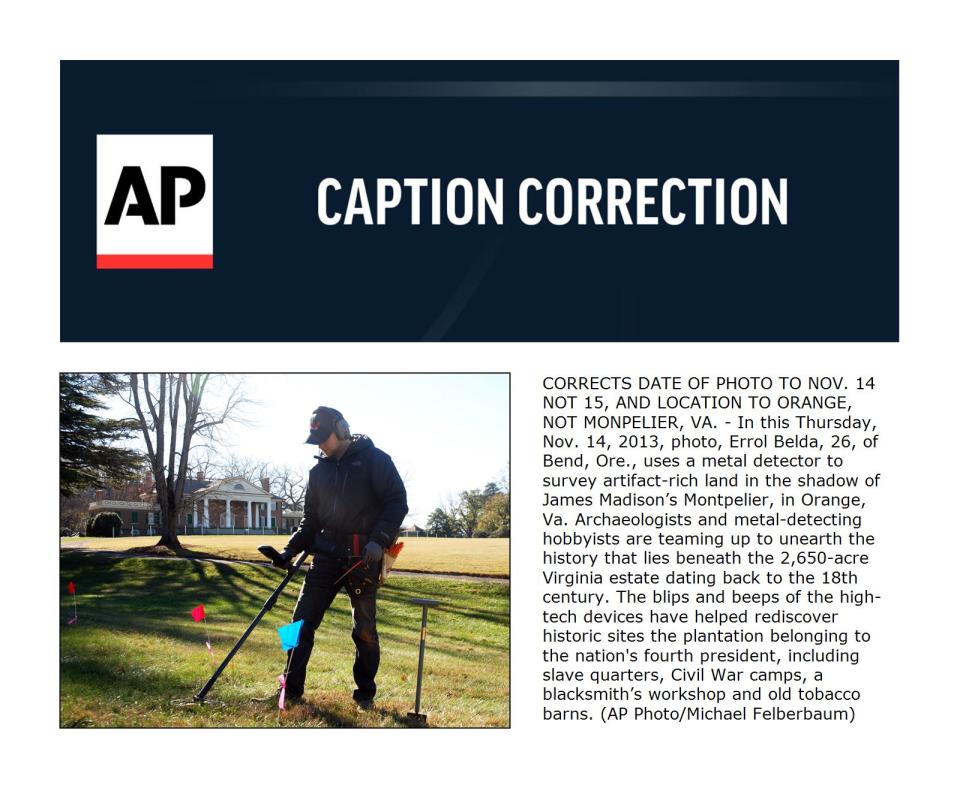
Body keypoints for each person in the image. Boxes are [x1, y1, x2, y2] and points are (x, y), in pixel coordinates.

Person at [267, 406, 408, 708]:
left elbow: (397, 503)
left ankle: (365, 695)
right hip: (325, 558)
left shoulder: (376, 460)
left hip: (363, 558)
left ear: (342, 429)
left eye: (323, 437)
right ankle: (289, 689)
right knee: (297, 624)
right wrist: (289, 550)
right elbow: (310, 520)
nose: (319, 445)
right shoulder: (318, 472)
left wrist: (379, 540)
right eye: (315, 439)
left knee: (365, 631)